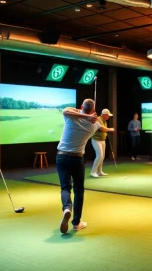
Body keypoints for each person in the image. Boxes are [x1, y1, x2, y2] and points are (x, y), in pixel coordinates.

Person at [57, 99, 114, 234]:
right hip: (77, 159)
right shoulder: (93, 125)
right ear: (93, 111)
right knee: (78, 190)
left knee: (65, 187)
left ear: (81, 107)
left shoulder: (70, 117)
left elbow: (66, 110)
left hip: (62, 156)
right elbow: (99, 125)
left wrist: (83, 113)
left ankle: (67, 208)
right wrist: (89, 116)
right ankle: (76, 223)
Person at [90, 108, 114, 178]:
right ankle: (93, 172)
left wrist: (107, 131)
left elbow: (104, 130)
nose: (109, 117)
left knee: (102, 156)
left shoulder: (105, 121)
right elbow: (102, 128)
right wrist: (110, 129)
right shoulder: (98, 119)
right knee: (99, 155)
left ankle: (99, 171)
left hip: (102, 140)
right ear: (104, 114)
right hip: (96, 140)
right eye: (108, 115)